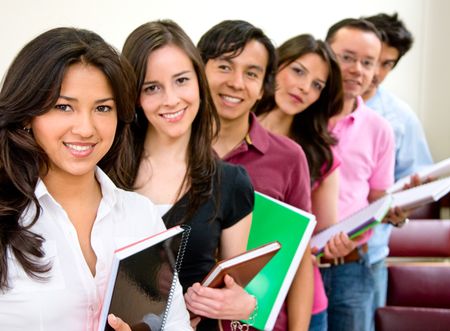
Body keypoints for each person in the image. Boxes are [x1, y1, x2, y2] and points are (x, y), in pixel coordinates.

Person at [0, 27, 191, 330]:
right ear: (27, 115)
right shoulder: (7, 217)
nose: (86, 128)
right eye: (64, 107)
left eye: (103, 108)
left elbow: (175, 325)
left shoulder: (141, 216)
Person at [121, 20, 255, 331]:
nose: (171, 99)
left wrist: (244, 304)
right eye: (152, 87)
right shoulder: (105, 173)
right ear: (134, 96)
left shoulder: (230, 182)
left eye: (181, 80)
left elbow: (234, 286)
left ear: (199, 82)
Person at [197, 20, 313, 331]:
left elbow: (299, 258)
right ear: (199, 69)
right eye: (224, 66)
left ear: (264, 87)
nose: (236, 82)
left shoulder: (289, 157)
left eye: (251, 73)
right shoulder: (171, 148)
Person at [255, 34, 355, 331]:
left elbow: (322, 234)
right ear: (275, 66)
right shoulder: (232, 131)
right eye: (298, 71)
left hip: (299, 300)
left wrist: (333, 245)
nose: (304, 88)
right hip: (232, 292)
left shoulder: (320, 154)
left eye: (317, 85)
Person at [321, 18, 396, 331]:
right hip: (295, 265)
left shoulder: (380, 128)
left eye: (368, 63)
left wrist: (396, 210)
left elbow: (379, 197)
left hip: (351, 268)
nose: (357, 70)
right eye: (347, 57)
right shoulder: (298, 119)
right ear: (325, 55)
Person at [362, 12, 434, 329]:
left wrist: (403, 205)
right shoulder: (311, 103)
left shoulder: (400, 118)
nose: (375, 72)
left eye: (387, 64)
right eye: (371, 60)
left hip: (368, 255)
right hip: (308, 254)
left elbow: (419, 183)